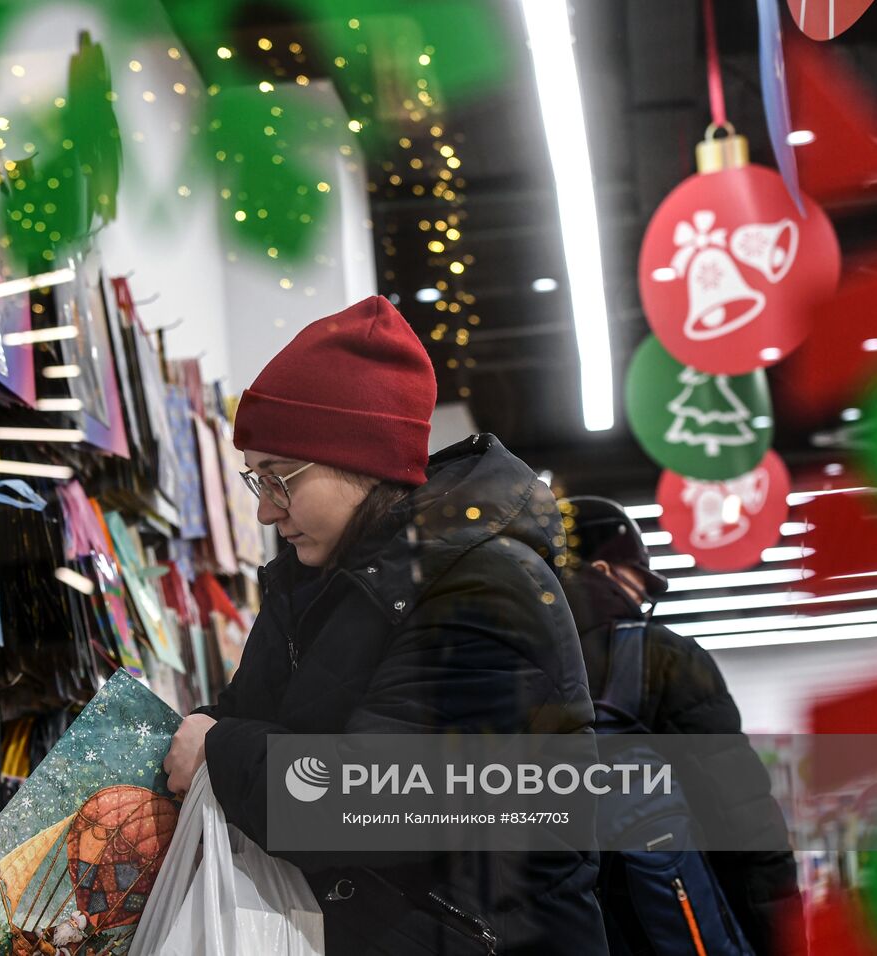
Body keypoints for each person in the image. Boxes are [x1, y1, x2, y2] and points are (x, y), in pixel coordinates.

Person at [163, 295, 609, 955]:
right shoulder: (320, 584)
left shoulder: (489, 585)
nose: (265, 513)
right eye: (257, 483)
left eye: (279, 479)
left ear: (361, 460)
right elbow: (254, 716)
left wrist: (219, 751)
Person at [557, 496, 805, 956]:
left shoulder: (504, 673)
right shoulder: (660, 657)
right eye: (638, 583)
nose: (644, 600)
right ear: (605, 572)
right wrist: (781, 939)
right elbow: (745, 828)